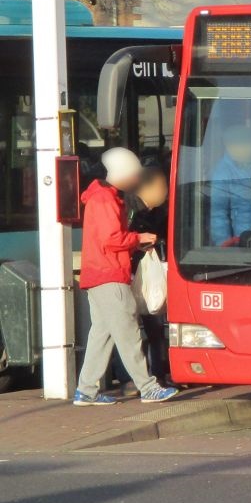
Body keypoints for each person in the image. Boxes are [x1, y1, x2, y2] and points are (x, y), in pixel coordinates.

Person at [73, 148, 178, 406]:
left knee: (103, 334)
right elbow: (112, 239)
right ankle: (148, 387)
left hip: (97, 275)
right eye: (133, 174)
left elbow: (106, 239)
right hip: (111, 274)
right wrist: (138, 238)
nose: (137, 180)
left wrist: (132, 243)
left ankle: (86, 389)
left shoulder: (99, 197)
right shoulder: (107, 200)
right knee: (128, 331)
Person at [129, 167, 171, 386]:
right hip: (137, 276)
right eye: (161, 187)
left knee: (155, 325)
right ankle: (139, 379)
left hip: (150, 276)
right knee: (134, 327)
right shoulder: (133, 211)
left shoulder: (159, 210)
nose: (165, 192)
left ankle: (159, 374)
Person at [211, 125, 251, 245]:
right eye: (245, 144)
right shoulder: (222, 172)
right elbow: (218, 214)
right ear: (231, 147)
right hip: (241, 241)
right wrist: (224, 244)